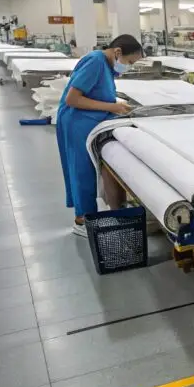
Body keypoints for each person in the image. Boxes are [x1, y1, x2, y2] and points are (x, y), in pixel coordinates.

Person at [56, 34, 144, 237]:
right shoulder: (95, 61)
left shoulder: (107, 64)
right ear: (118, 52)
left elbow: (98, 92)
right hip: (76, 121)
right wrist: (112, 106)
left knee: (87, 169)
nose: (128, 67)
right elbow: (72, 99)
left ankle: (89, 214)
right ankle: (82, 220)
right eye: (130, 62)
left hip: (89, 119)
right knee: (82, 170)